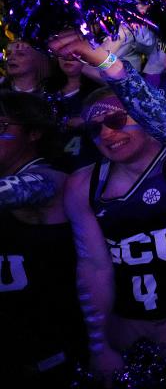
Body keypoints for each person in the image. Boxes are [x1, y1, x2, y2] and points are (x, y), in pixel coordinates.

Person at [47, 31, 166, 389]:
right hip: (127, 321)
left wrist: (102, 60)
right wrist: (99, 344)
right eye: (96, 128)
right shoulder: (84, 185)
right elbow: (94, 266)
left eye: (116, 121)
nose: (107, 134)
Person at [0, 92, 84, 387]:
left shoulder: (51, 178)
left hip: (49, 358)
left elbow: (12, 191)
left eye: (2, 127)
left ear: (33, 132)